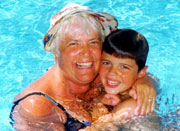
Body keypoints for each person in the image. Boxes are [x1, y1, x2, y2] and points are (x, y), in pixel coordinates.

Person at [9, 3, 157, 131]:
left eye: (93, 42)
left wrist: (144, 83)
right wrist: (109, 121)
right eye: (73, 44)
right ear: (56, 53)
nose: (86, 53)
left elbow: (133, 71)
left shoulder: (100, 72)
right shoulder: (37, 106)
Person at [80, 29, 160, 131]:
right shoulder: (110, 92)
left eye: (124, 67)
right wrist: (99, 101)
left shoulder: (133, 108)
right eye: (106, 63)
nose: (112, 72)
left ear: (141, 73)